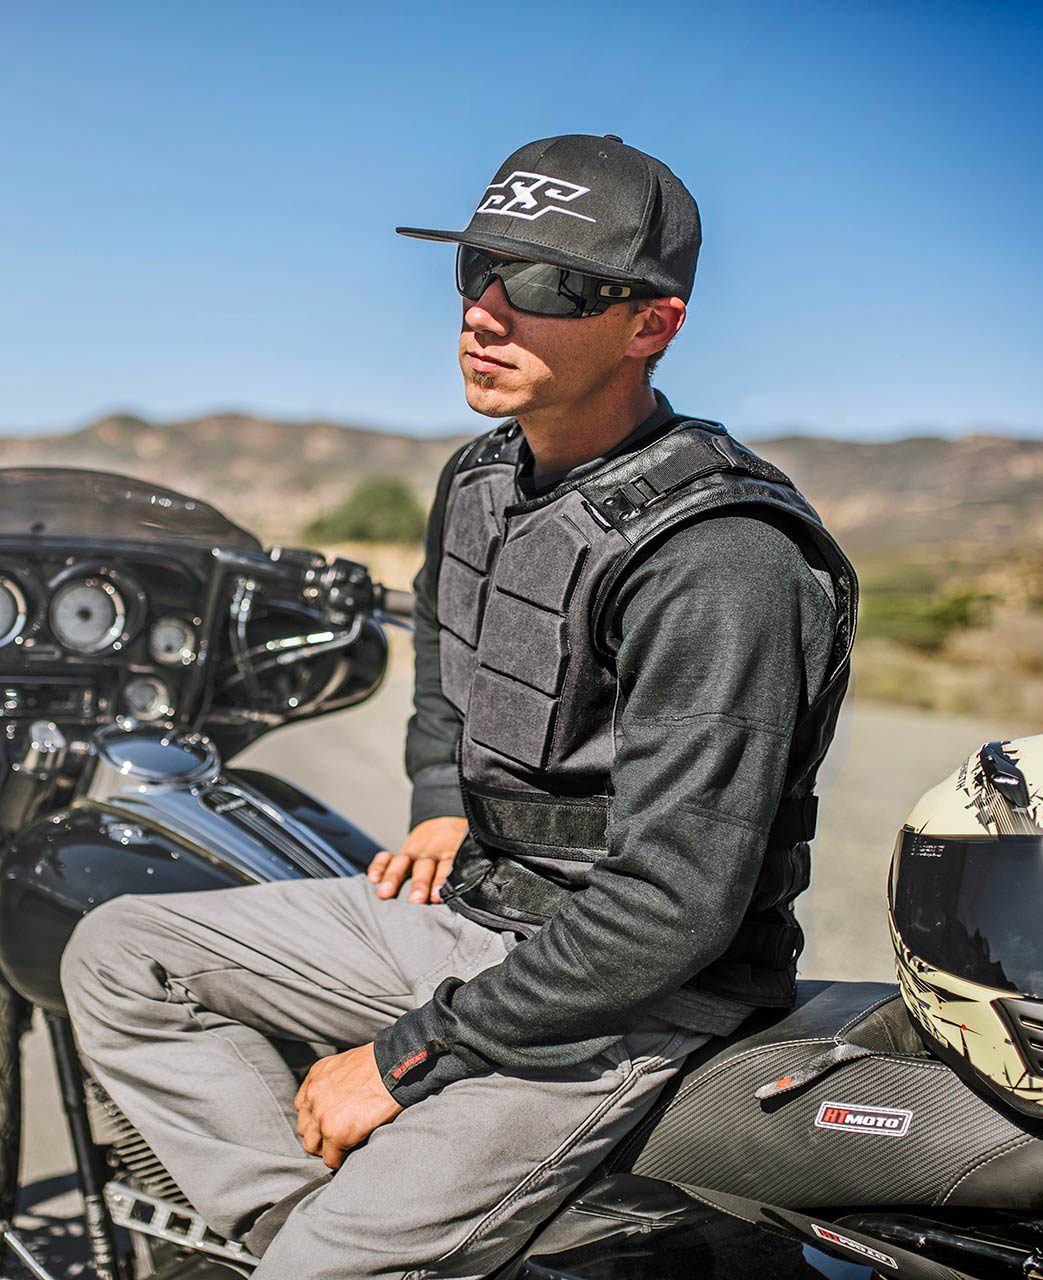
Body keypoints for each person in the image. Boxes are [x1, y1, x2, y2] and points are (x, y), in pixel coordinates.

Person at [62, 134, 858, 1279]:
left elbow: (670, 912)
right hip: (480, 909)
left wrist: (398, 1061)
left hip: (628, 998)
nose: (486, 310)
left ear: (652, 324)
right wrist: (441, 794)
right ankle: (299, 1237)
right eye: (477, 267)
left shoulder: (720, 557)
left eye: (543, 285)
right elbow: (447, 646)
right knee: (123, 947)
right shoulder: (482, 477)